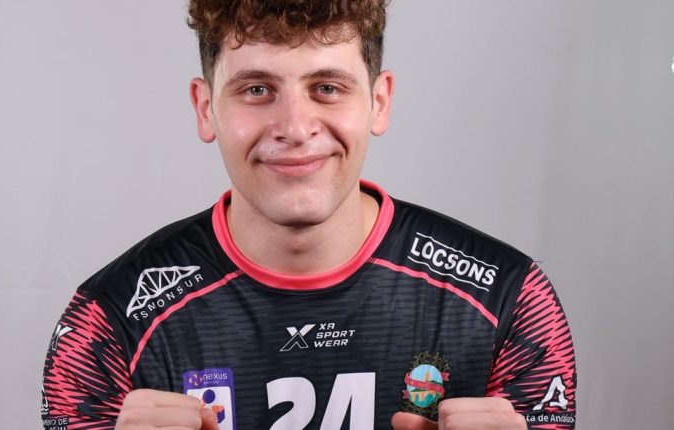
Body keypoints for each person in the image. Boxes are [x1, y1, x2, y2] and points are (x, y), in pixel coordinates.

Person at [41, 1, 576, 429]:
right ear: (206, 109)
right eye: (257, 90)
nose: (295, 128)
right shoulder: (107, 323)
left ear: (379, 101)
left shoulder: (510, 301)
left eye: (327, 88)